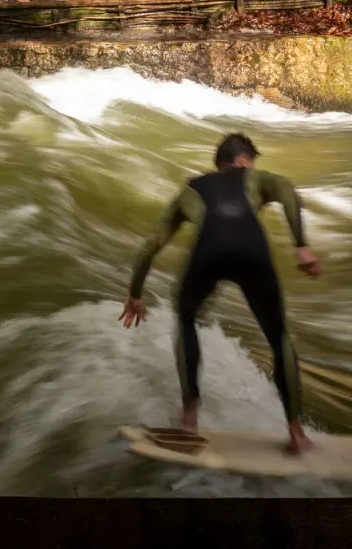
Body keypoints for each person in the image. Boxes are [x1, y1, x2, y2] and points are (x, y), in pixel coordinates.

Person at [119, 133, 321, 454]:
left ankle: (189, 419)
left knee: (185, 318)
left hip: (207, 255)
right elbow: (286, 189)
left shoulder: (190, 190)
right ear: (243, 161)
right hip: (252, 252)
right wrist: (301, 245)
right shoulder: (255, 178)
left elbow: (151, 245)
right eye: (251, 162)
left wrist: (135, 293)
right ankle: (296, 433)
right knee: (279, 337)